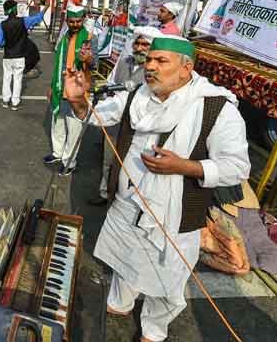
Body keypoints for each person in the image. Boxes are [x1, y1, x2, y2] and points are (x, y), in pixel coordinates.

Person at [63, 36, 250, 342]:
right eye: (149, 60)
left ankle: (154, 329)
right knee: (123, 260)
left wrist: (185, 167)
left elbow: (237, 167)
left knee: (167, 281)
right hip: (126, 204)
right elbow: (99, 115)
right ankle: (120, 303)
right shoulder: (138, 94)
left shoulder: (216, 107)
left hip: (173, 216)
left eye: (161, 61)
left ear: (186, 68)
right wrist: (78, 100)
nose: (150, 66)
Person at [90, 26, 163, 207]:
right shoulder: (124, 62)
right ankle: (105, 193)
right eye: (137, 43)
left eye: (144, 44)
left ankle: (124, 199)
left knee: (129, 164)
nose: (139, 47)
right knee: (108, 160)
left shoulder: (156, 70)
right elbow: (110, 83)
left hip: (137, 128)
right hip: (115, 121)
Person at [45, 3, 93, 175]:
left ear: (83, 20)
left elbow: (95, 65)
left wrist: (88, 60)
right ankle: (57, 153)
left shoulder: (89, 37)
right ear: (67, 21)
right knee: (57, 121)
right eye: (71, 22)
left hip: (77, 91)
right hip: (60, 87)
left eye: (78, 21)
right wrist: (51, 86)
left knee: (73, 129)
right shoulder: (64, 36)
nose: (74, 25)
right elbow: (58, 63)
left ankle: (69, 161)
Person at [0, 0, 49, 112]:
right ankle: (15, 103)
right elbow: (38, 18)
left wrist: (8, 42)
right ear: (14, 10)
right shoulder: (23, 21)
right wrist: (46, 7)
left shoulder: (2, 25)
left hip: (7, 57)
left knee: (6, 78)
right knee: (18, 79)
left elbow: (0, 43)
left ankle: (5, 101)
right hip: (19, 56)